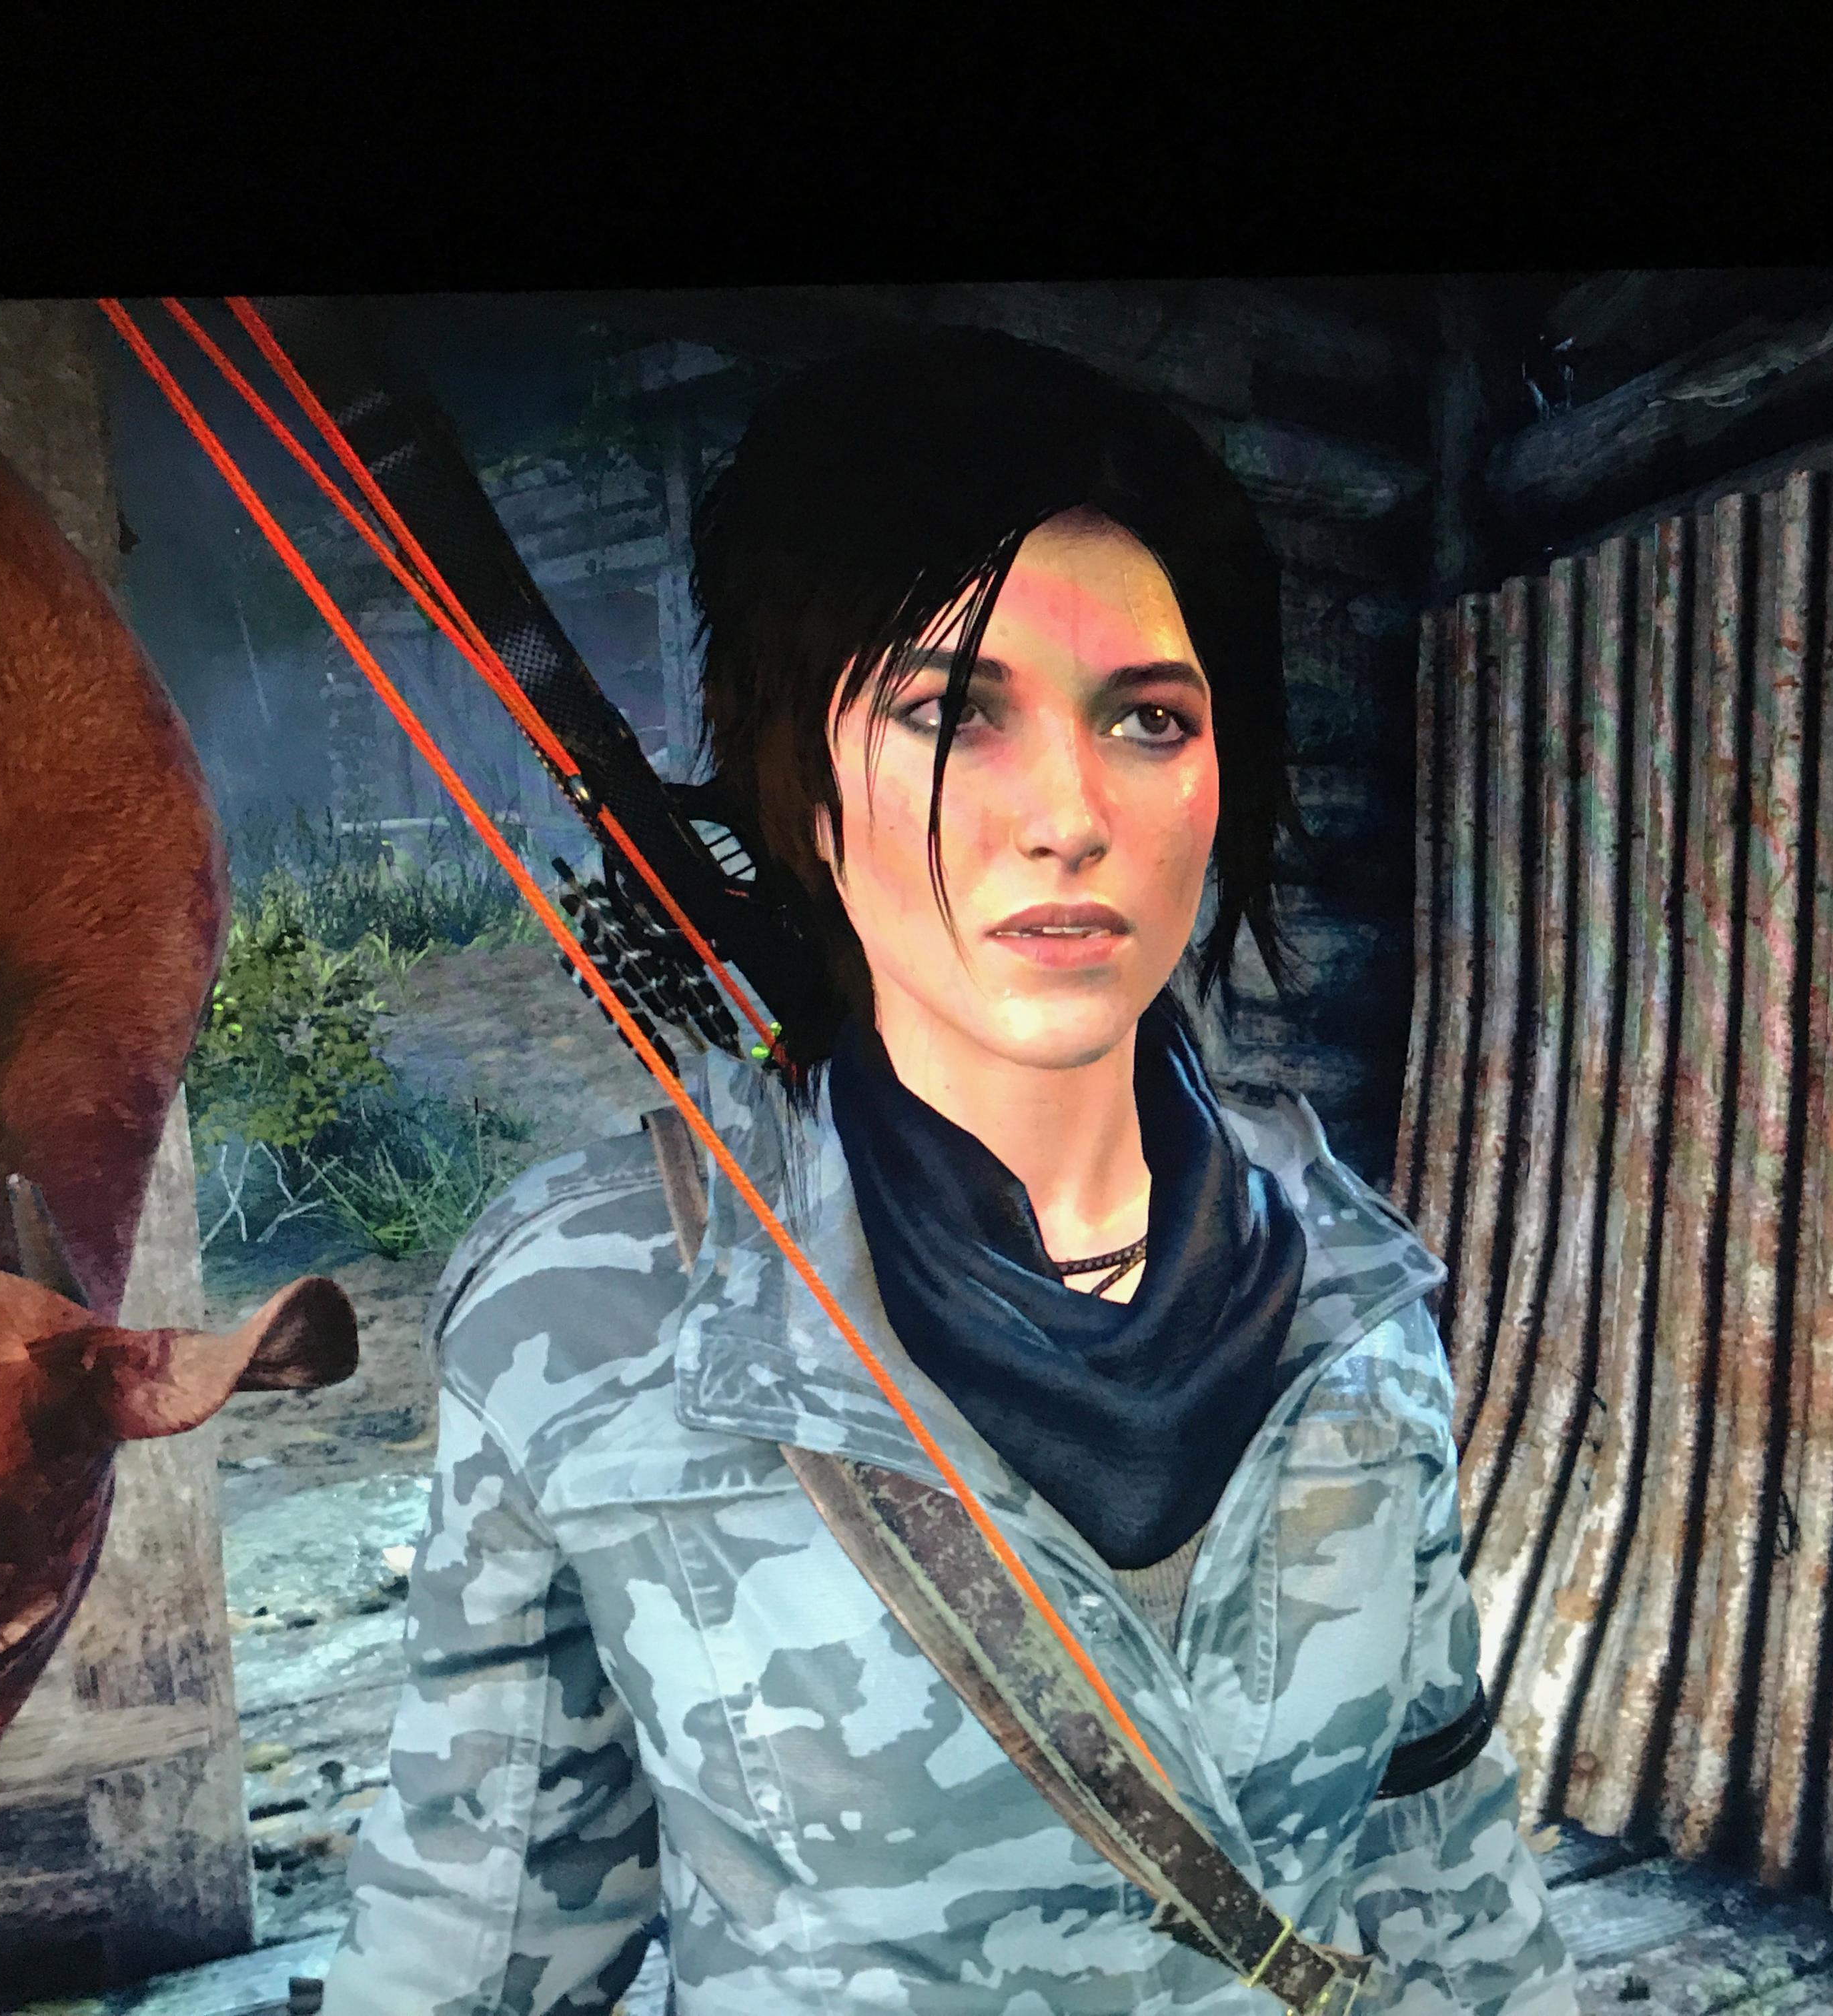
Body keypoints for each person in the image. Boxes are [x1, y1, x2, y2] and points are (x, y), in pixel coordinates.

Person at [326, 329, 1578, 2015]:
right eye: (952, 713)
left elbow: (1443, 1863)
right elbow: (471, 1952)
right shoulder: (595, 1302)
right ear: (802, 783)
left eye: (1149, 719)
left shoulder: (1354, 1290)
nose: (1068, 814)